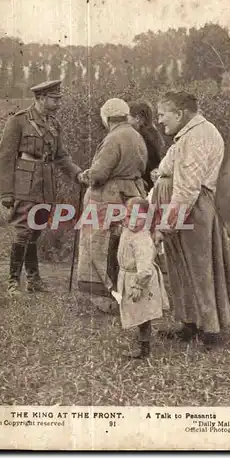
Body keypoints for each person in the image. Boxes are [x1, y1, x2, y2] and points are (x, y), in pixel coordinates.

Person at [153, 91, 230, 349]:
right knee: (182, 267)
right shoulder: (189, 134)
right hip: (188, 206)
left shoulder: (197, 136)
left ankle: (210, 330)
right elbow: (175, 170)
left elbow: (188, 188)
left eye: (163, 114)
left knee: (200, 269)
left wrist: (168, 223)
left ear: (180, 113)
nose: (159, 120)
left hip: (193, 208)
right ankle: (189, 322)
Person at [0, 79, 82, 296]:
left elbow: (61, 157)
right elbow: (6, 158)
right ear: (40, 98)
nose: (58, 103)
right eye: (54, 99)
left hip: (46, 185)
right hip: (25, 183)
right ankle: (13, 282)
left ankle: (34, 281)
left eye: (59, 99)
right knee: (23, 231)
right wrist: (7, 192)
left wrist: (77, 174)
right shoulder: (18, 122)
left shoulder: (55, 125)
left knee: (36, 231)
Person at [77, 98, 148, 313]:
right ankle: (127, 292)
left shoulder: (113, 138)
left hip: (109, 196)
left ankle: (106, 297)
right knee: (124, 244)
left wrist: (84, 176)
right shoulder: (136, 136)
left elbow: (99, 174)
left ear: (106, 118)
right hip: (132, 193)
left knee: (101, 243)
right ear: (125, 115)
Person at [115, 197, 169, 359]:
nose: (132, 221)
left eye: (138, 217)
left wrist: (139, 286)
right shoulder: (128, 231)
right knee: (137, 312)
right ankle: (141, 340)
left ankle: (144, 348)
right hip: (128, 276)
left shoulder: (142, 239)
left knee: (143, 314)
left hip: (140, 279)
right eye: (128, 216)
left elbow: (145, 268)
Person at [128, 100, 165, 191]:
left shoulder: (142, 136)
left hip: (145, 185)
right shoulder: (153, 133)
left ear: (137, 118)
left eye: (128, 117)